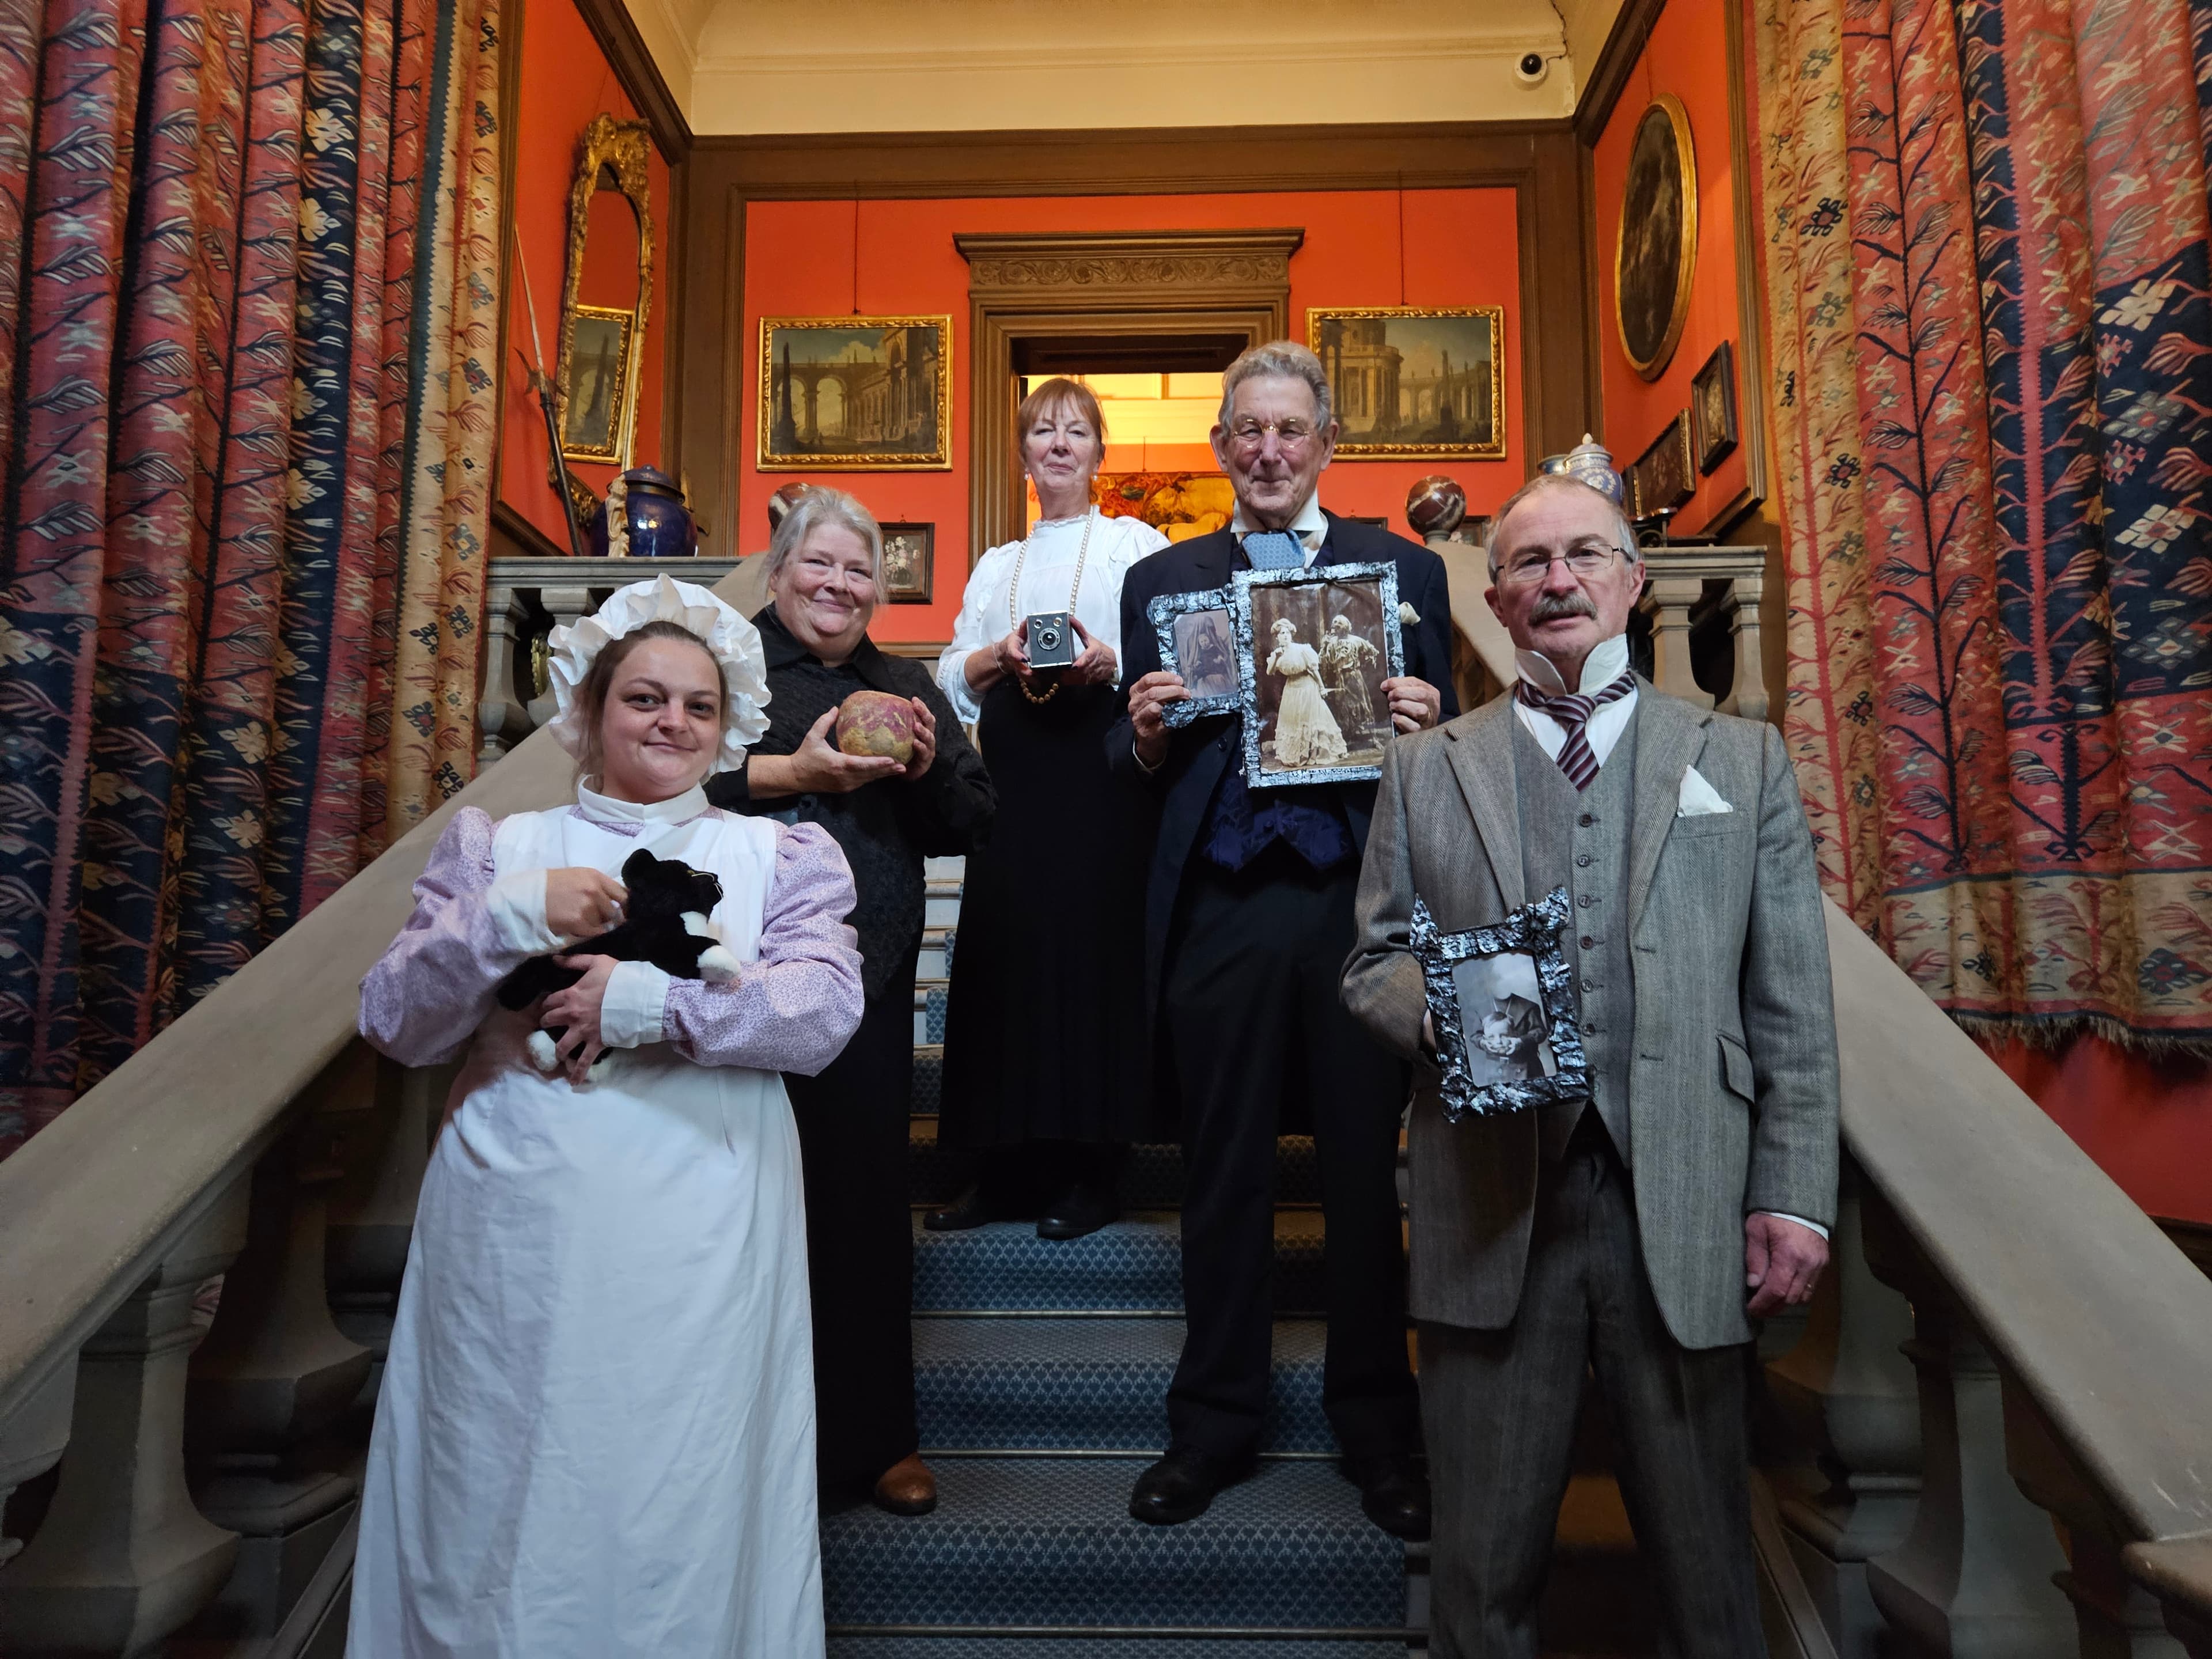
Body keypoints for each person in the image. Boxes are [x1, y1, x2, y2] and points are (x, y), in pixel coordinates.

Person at [1340, 471, 1839, 1657]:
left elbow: (1792, 1006)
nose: (1556, 579)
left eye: (1583, 556)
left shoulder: (1745, 758)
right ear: (1499, 602)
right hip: (1490, 1213)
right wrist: (1457, 1020)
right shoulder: (1425, 766)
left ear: (1629, 581)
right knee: (1481, 1576)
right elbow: (1373, 962)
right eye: (1527, 564)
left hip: (1684, 1207)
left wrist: (1794, 1192)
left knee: (1710, 1576)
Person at [351, 575, 864, 1657]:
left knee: (676, 1488)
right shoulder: (499, 845)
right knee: (500, 1475)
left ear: (729, 730)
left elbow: (819, 1015)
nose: (672, 722)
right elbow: (397, 1022)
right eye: (644, 698)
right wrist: (508, 919)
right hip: (516, 1230)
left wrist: (647, 1005)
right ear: (589, 709)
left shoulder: (783, 857)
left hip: (704, 1228)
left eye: (698, 706)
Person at [1107, 340, 1456, 1537]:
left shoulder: (1401, 570)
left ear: (1326, 444)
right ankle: (1211, 1429)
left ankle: (1379, 1432)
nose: (1267, 449)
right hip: (1223, 909)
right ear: (1220, 448)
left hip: (1361, 906)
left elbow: (1447, 758)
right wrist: (1147, 734)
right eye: (1246, 430)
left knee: (1366, 1175)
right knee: (1224, 1177)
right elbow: (1130, 763)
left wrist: (1430, 718)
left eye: (1289, 431)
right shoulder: (1161, 582)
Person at [703, 487, 994, 1518]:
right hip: (732, 984)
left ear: (883, 585)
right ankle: (744, 1452)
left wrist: (918, 767)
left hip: (863, 988)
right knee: (739, 1221)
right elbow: (672, 779)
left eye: (859, 570)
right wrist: (799, 770)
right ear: (778, 572)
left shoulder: (905, 682)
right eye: (818, 565)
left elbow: (972, 815)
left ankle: (877, 1444)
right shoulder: (722, 664)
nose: (838, 585)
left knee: (866, 1215)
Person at [928, 377, 1169, 1239]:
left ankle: (1090, 1172)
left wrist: (1108, 660)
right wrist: (999, 654)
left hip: (1101, 770)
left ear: (1101, 452)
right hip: (1016, 777)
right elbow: (951, 677)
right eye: (1043, 431)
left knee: (1091, 963)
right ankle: (1002, 1170)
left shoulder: (1135, 545)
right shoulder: (997, 565)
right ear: (1025, 453)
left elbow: (1164, 655)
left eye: (1076, 431)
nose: (1059, 444)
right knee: (1004, 960)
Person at [1263, 615, 1349, 770]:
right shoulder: (1277, 654)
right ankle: (1298, 753)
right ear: (1277, 637)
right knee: (1294, 722)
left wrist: (1322, 688)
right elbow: (1270, 672)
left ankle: (1314, 753)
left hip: (1308, 687)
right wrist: (1276, 657)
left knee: (1311, 721)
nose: (1285, 636)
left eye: (1288, 633)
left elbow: (1314, 671)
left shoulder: (1302, 649)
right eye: (1282, 634)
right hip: (1291, 690)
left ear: (1291, 634)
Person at [1319, 613, 1380, 738]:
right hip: (1339, 679)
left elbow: (1372, 651)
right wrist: (1324, 646)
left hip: (1354, 677)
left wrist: (1363, 664)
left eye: (1339, 624)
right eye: (1334, 623)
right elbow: (1324, 660)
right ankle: (1349, 732)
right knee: (1342, 704)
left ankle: (1370, 734)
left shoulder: (1356, 640)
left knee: (1361, 702)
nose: (1335, 626)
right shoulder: (1331, 642)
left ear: (1346, 626)